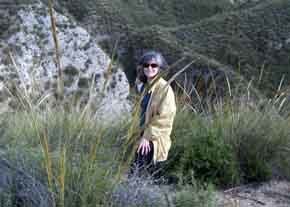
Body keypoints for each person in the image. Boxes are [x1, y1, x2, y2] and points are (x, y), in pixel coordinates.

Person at [130, 51, 176, 179]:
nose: (149, 68)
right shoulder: (145, 87)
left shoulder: (164, 89)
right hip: (141, 136)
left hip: (155, 140)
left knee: (141, 176)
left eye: (154, 65)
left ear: (159, 68)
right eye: (146, 65)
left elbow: (164, 119)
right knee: (135, 172)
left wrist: (146, 137)